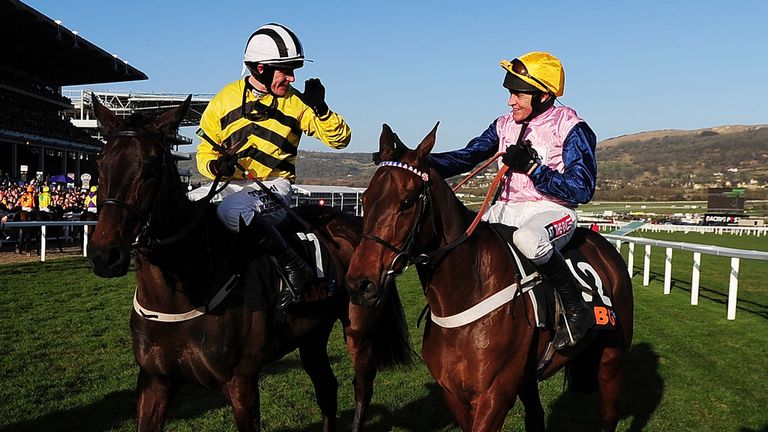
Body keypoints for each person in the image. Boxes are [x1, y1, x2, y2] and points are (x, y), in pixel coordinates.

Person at [430, 51, 597, 350]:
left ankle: (575, 309)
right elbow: (467, 156)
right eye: (510, 93)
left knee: (528, 240)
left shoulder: (572, 127)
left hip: (551, 210)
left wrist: (533, 169)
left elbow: (582, 189)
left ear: (543, 96)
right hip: (505, 210)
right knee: (459, 239)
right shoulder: (503, 124)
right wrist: (416, 162)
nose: (510, 102)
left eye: (519, 95)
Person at [195, 23, 351, 309]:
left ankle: (294, 266)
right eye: (286, 70)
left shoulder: (297, 103)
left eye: (293, 70)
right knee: (186, 205)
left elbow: (340, 140)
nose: (292, 78)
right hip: (230, 186)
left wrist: (321, 110)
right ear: (261, 69)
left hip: (274, 188)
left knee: (232, 211)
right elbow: (204, 151)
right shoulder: (224, 99)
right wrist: (216, 167)